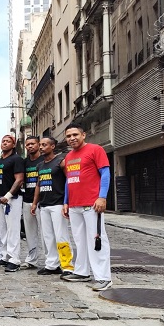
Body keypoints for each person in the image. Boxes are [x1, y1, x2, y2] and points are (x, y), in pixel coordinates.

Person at [61, 123, 113, 291]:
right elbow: (69, 180)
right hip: (75, 205)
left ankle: (104, 278)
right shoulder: (69, 157)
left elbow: (105, 173)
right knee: (79, 240)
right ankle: (82, 272)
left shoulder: (95, 150)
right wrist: (66, 202)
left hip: (92, 204)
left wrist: (102, 197)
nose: (72, 138)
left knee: (97, 240)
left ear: (83, 135)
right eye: (68, 136)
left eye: (75, 134)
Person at [30, 137, 75, 276]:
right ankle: (51, 264)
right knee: (47, 237)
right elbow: (38, 185)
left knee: (61, 235)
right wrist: (34, 202)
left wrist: (67, 201)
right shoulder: (40, 166)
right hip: (44, 205)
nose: (42, 147)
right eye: (41, 145)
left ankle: (67, 266)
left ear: (53, 146)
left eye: (45, 145)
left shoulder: (60, 162)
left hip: (58, 203)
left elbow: (69, 180)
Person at [0, 135, 25, 272]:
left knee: (13, 230)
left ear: (13, 145)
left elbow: (19, 179)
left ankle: (15, 259)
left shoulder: (16, 159)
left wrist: (8, 195)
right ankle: (6, 256)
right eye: (3, 141)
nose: (4, 143)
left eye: (8, 141)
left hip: (12, 199)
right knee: (3, 229)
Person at [21, 136, 43, 269]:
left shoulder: (43, 160)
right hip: (27, 199)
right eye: (27, 144)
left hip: (43, 201)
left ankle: (52, 261)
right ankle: (31, 259)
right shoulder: (24, 162)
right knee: (30, 232)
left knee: (46, 233)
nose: (30, 146)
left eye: (32, 144)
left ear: (38, 145)